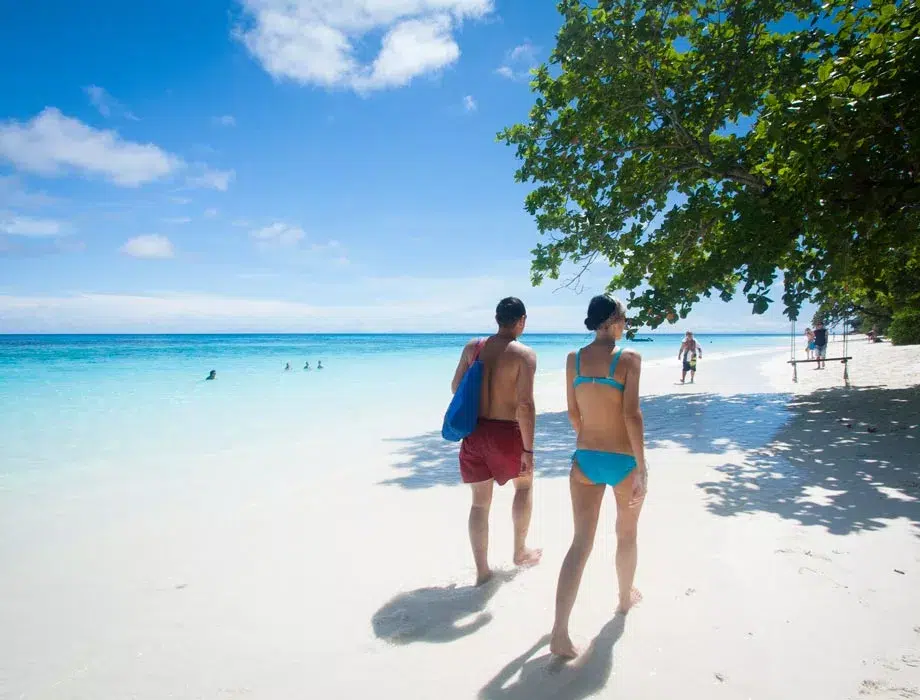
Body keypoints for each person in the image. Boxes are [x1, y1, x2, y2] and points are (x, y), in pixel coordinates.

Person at [551, 295, 648, 659]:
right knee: (626, 535)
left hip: (585, 460)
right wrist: (642, 466)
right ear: (610, 320)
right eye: (624, 318)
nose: (626, 324)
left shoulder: (572, 360)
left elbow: (573, 415)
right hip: (622, 461)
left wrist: (589, 438)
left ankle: (559, 632)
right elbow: (632, 416)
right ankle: (624, 600)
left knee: (580, 544)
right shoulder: (629, 360)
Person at [449, 297, 542, 585]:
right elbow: (525, 405)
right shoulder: (524, 355)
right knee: (524, 486)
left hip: (474, 434)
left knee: (479, 504)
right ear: (522, 320)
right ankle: (519, 551)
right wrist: (528, 449)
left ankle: (482, 572)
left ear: (497, 318)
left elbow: (456, 388)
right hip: (506, 433)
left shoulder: (472, 347)